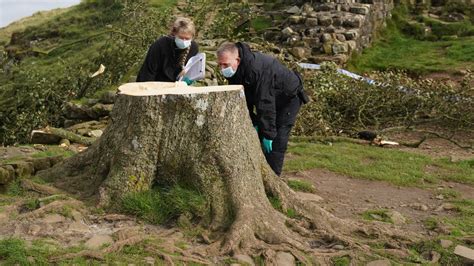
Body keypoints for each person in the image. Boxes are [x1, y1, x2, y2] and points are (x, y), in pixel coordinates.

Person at [216, 42, 309, 176]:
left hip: (289, 98)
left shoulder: (257, 69)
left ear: (237, 60)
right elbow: (242, 98)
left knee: (277, 138)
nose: (222, 68)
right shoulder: (235, 71)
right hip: (270, 97)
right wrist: (253, 121)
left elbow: (265, 101)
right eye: (220, 64)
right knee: (260, 131)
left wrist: (268, 134)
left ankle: (273, 177)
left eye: (225, 64)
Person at [136, 17, 198, 84]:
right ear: (174, 34)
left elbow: (191, 70)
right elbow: (148, 72)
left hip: (177, 85)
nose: (184, 41)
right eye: (181, 37)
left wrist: (189, 78)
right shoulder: (160, 45)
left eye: (187, 38)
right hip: (156, 82)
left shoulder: (193, 48)